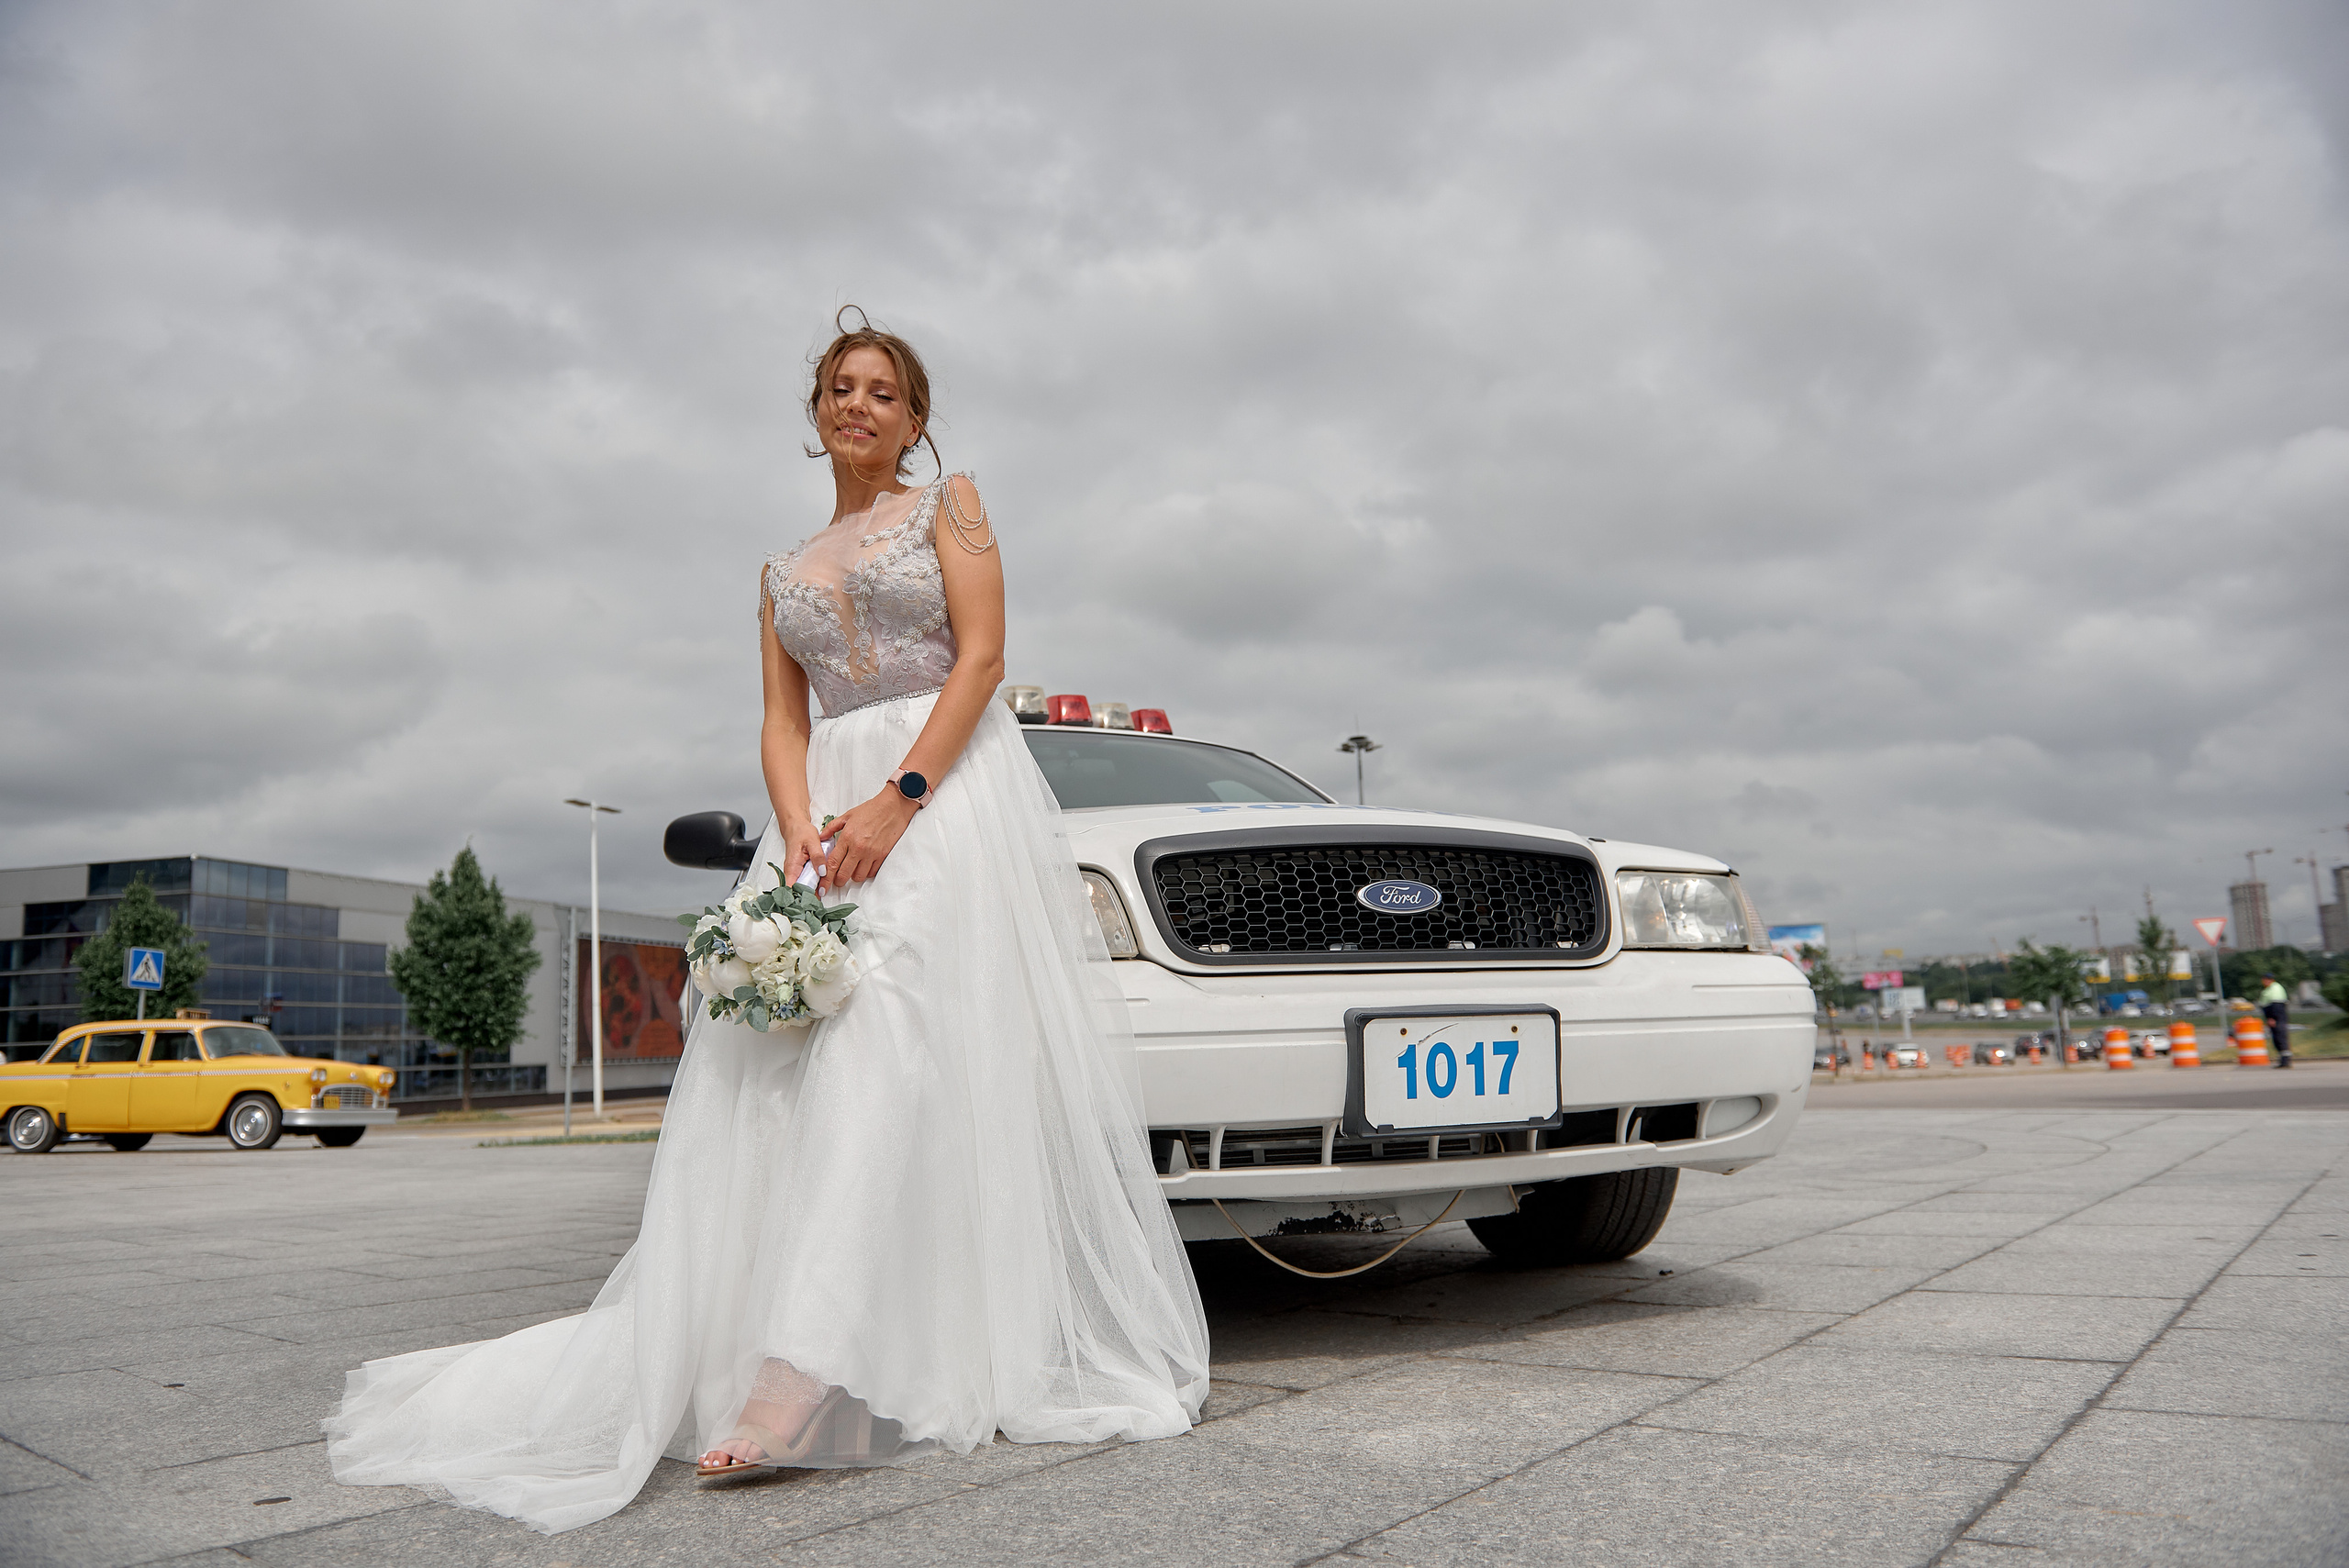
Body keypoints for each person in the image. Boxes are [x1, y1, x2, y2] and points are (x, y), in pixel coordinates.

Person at [324, 310, 1210, 1533]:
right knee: (766, 1074)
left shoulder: (952, 506)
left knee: (885, 1048)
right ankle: (789, 1353)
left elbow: (983, 658)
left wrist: (896, 801)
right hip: (817, 827)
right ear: (816, 413)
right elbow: (781, 719)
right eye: (841, 388)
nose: (860, 405)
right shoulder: (781, 569)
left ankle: (806, 1374)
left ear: (914, 415)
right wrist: (795, 831)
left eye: (884, 391)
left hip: (942, 797)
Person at [2259, 974, 2292, 1068]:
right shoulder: (2268, 989)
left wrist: (2273, 1018)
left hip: (2277, 1017)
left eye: (2266, 979)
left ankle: (2286, 1061)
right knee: (2277, 1039)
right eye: (2263, 979)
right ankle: (2283, 1060)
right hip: (2274, 1017)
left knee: (2280, 1038)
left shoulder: (2275, 988)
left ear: (2271, 980)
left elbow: (2276, 1006)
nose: (2264, 981)